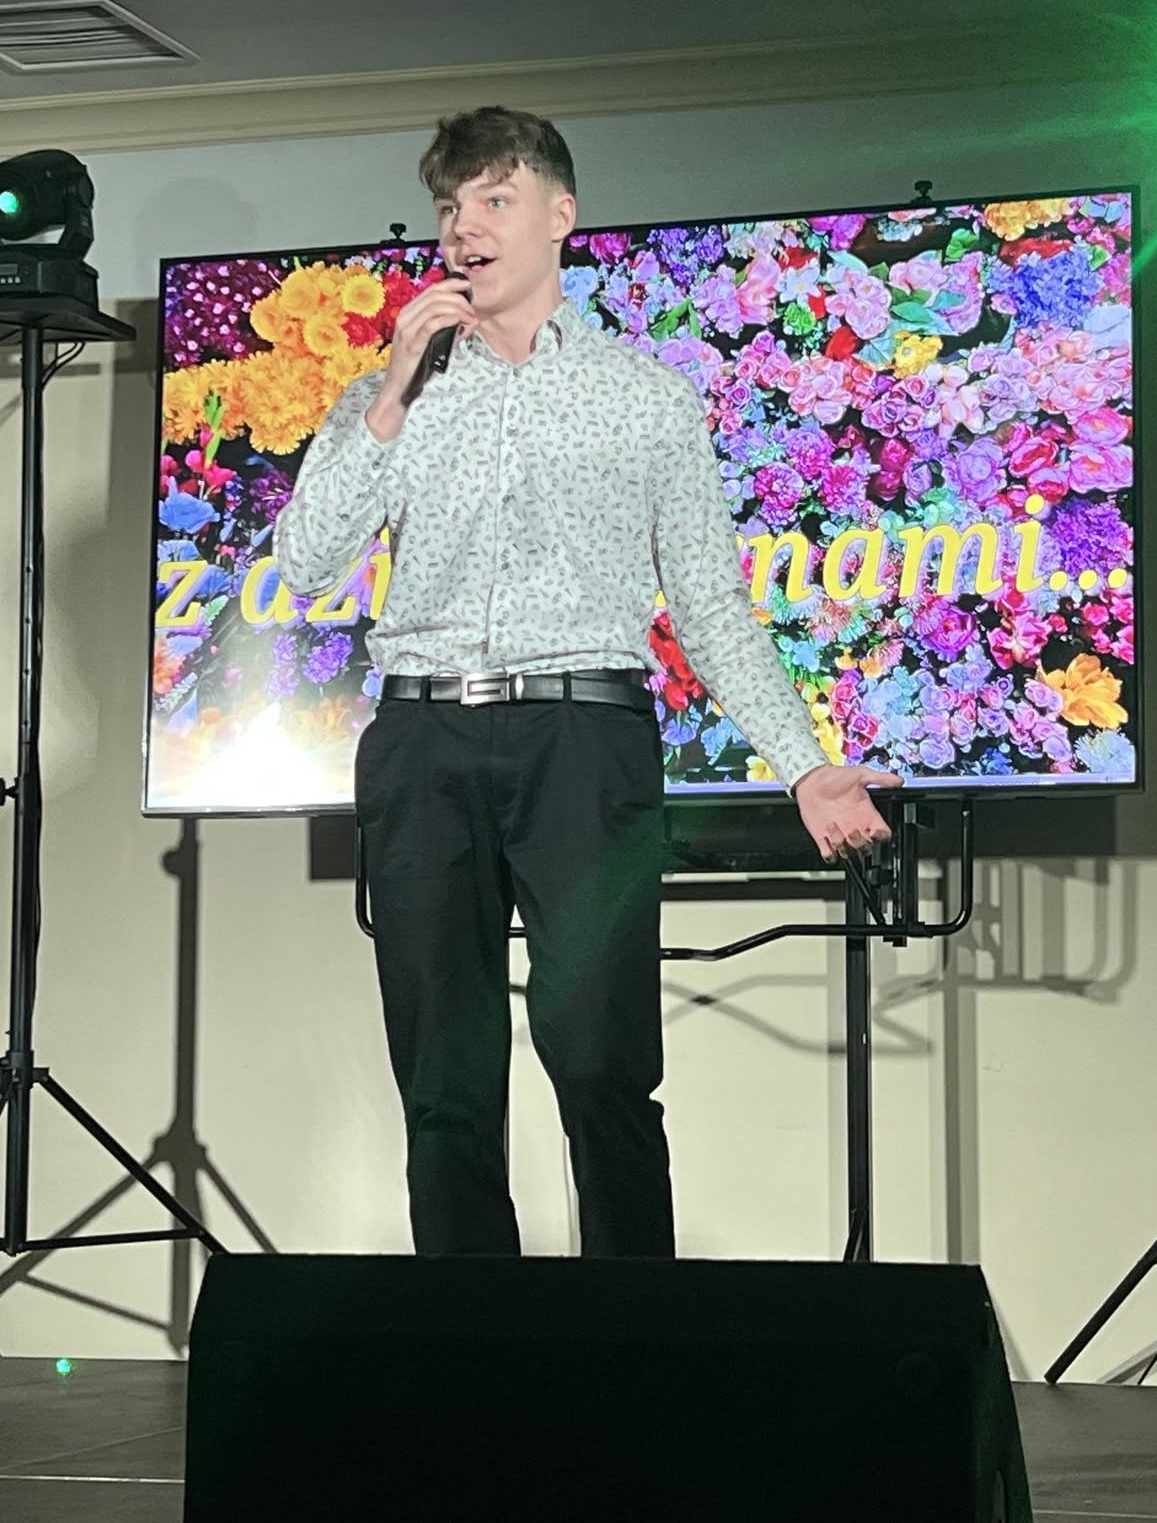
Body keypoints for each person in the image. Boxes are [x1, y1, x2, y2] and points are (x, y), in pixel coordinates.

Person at [273, 106, 899, 1259]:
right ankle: (476, 1336)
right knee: (443, 1080)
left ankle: (629, 1337)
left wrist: (803, 765)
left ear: (559, 214)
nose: (464, 229)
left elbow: (709, 606)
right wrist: (392, 391)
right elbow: (305, 566)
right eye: (449, 208)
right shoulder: (389, 396)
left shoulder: (644, 398)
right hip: (422, 739)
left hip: (581, 738)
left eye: (493, 200)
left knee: (603, 1062)